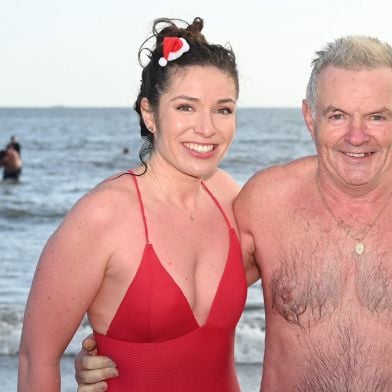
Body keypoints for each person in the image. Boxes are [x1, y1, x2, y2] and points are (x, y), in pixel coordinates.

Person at [75, 35, 392, 391]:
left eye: (377, 117)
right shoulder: (265, 202)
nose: (357, 136)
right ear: (309, 117)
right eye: (337, 115)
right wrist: (118, 355)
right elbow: (192, 297)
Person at [18, 17, 248, 391]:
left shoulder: (232, 202)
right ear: (149, 113)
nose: (207, 128)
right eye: (186, 107)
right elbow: (35, 360)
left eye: (223, 109)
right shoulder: (103, 216)